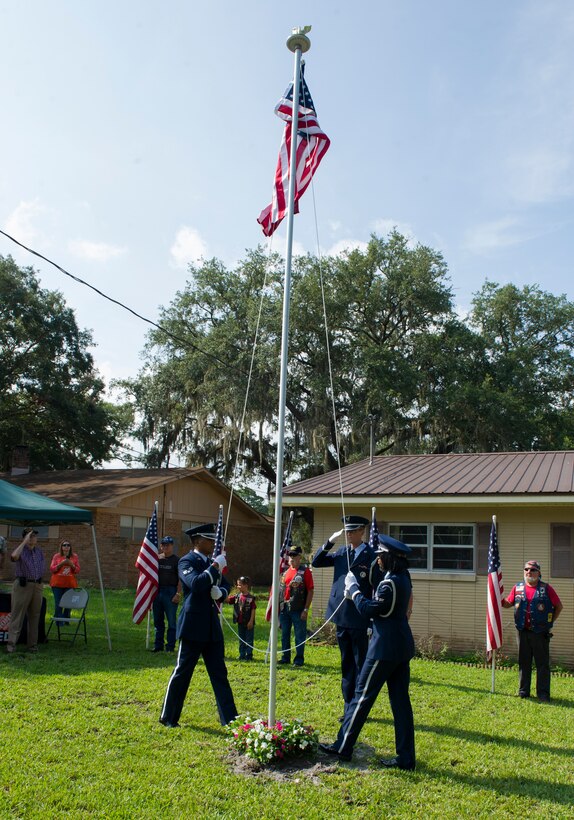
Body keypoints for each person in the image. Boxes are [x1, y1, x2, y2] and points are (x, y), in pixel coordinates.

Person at [319, 534, 416, 769]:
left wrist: (353, 590)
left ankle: (343, 747)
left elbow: (370, 610)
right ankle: (406, 758)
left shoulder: (389, 584)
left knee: (361, 697)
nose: (378, 560)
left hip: (383, 649)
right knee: (401, 704)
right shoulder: (402, 577)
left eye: (381, 556)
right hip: (401, 647)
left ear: (390, 558)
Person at [160, 523, 237, 728]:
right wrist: (214, 568)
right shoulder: (187, 561)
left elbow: (226, 583)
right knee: (183, 672)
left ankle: (230, 719)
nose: (214, 543)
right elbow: (195, 583)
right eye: (209, 539)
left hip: (211, 626)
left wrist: (222, 592)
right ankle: (169, 717)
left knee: (219, 673)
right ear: (196, 541)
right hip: (193, 625)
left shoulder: (212, 561)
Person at [312, 514, 376, 714]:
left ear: (362, 531)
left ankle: (359, 706)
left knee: (360, 663)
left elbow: (376, 586)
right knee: (346, 662)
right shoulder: (341, 552)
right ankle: (348, 705)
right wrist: (329, 542)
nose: (348, 534)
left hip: (359, 616)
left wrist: (372, 619)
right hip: (341, 615)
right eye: (346, 531)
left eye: (352, 531)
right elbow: (316, 562)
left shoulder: (371, 555)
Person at [502, 559, 563, 702]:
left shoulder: (546, 588)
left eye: (533, 570)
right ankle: (523, 691)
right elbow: (508, 603)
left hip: (540, 633)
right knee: (524, 662)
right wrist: (497, 597)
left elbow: (559, 606)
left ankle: (543, 694)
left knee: (542, 664)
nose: (529, 572)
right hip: (522, 631)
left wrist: (550, 622)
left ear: (539, 573)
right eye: (526, 569)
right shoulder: (517, 588)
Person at [6, 528, 46, 654]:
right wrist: (24, 542)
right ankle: (11, 646)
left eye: (34, 536)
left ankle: (32, 646)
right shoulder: (21, 550)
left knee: (35, 616)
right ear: (25, 537)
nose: (32, 538)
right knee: (17, 616)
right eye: (30, 536)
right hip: (23, 585)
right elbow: (13, 556)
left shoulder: (39, 551)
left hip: (37, 585)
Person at [278, 545, 314, 667]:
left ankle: (299, 660)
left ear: (300, 557)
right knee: (285, 635)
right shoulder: (285, 572)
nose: (291, 558)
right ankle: (285, 657)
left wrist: (306, 609)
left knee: (299, 635)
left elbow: (310, 590)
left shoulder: (305, 572)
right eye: (290, 555)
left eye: (294, 555)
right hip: (285, 609)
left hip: (298, 609)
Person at [152, 536, 181, 653]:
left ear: (172, 546)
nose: (165, 547)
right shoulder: (157, 559)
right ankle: (158, 646)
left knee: (171, 622)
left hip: (171, 592)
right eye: (163, 545)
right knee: (158, 621)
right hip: (157, 591)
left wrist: (178, 593)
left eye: (167, 545)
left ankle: (170, 646)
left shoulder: (177, 560)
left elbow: (181, 579)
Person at [49, 539, 81, 622]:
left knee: (68, 603)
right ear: (61, 547)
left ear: (70, 547)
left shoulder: (74, 556)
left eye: (68, 545)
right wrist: (61, 564)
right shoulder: (57, 556)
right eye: (64, 545)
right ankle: (59, 621)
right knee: (58, 603)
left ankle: (66, 620)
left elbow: (77, 570)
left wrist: (71, 564)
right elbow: (52, 569)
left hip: (70, 584)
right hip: (57, 584)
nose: (66, 547)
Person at [227, 576, 256, 660]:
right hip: (240, 622)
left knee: (249, 639)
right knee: (241, 639)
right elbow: (228, 600)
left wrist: (251, 621)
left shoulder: (251, 598)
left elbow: (253, 609)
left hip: (248, 622)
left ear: (245, 585)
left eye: (239, 585)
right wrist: (221, 593)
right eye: (237, 585)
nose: (237, 586)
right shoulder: (237, 597)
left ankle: (249, 655)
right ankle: (242, 654)